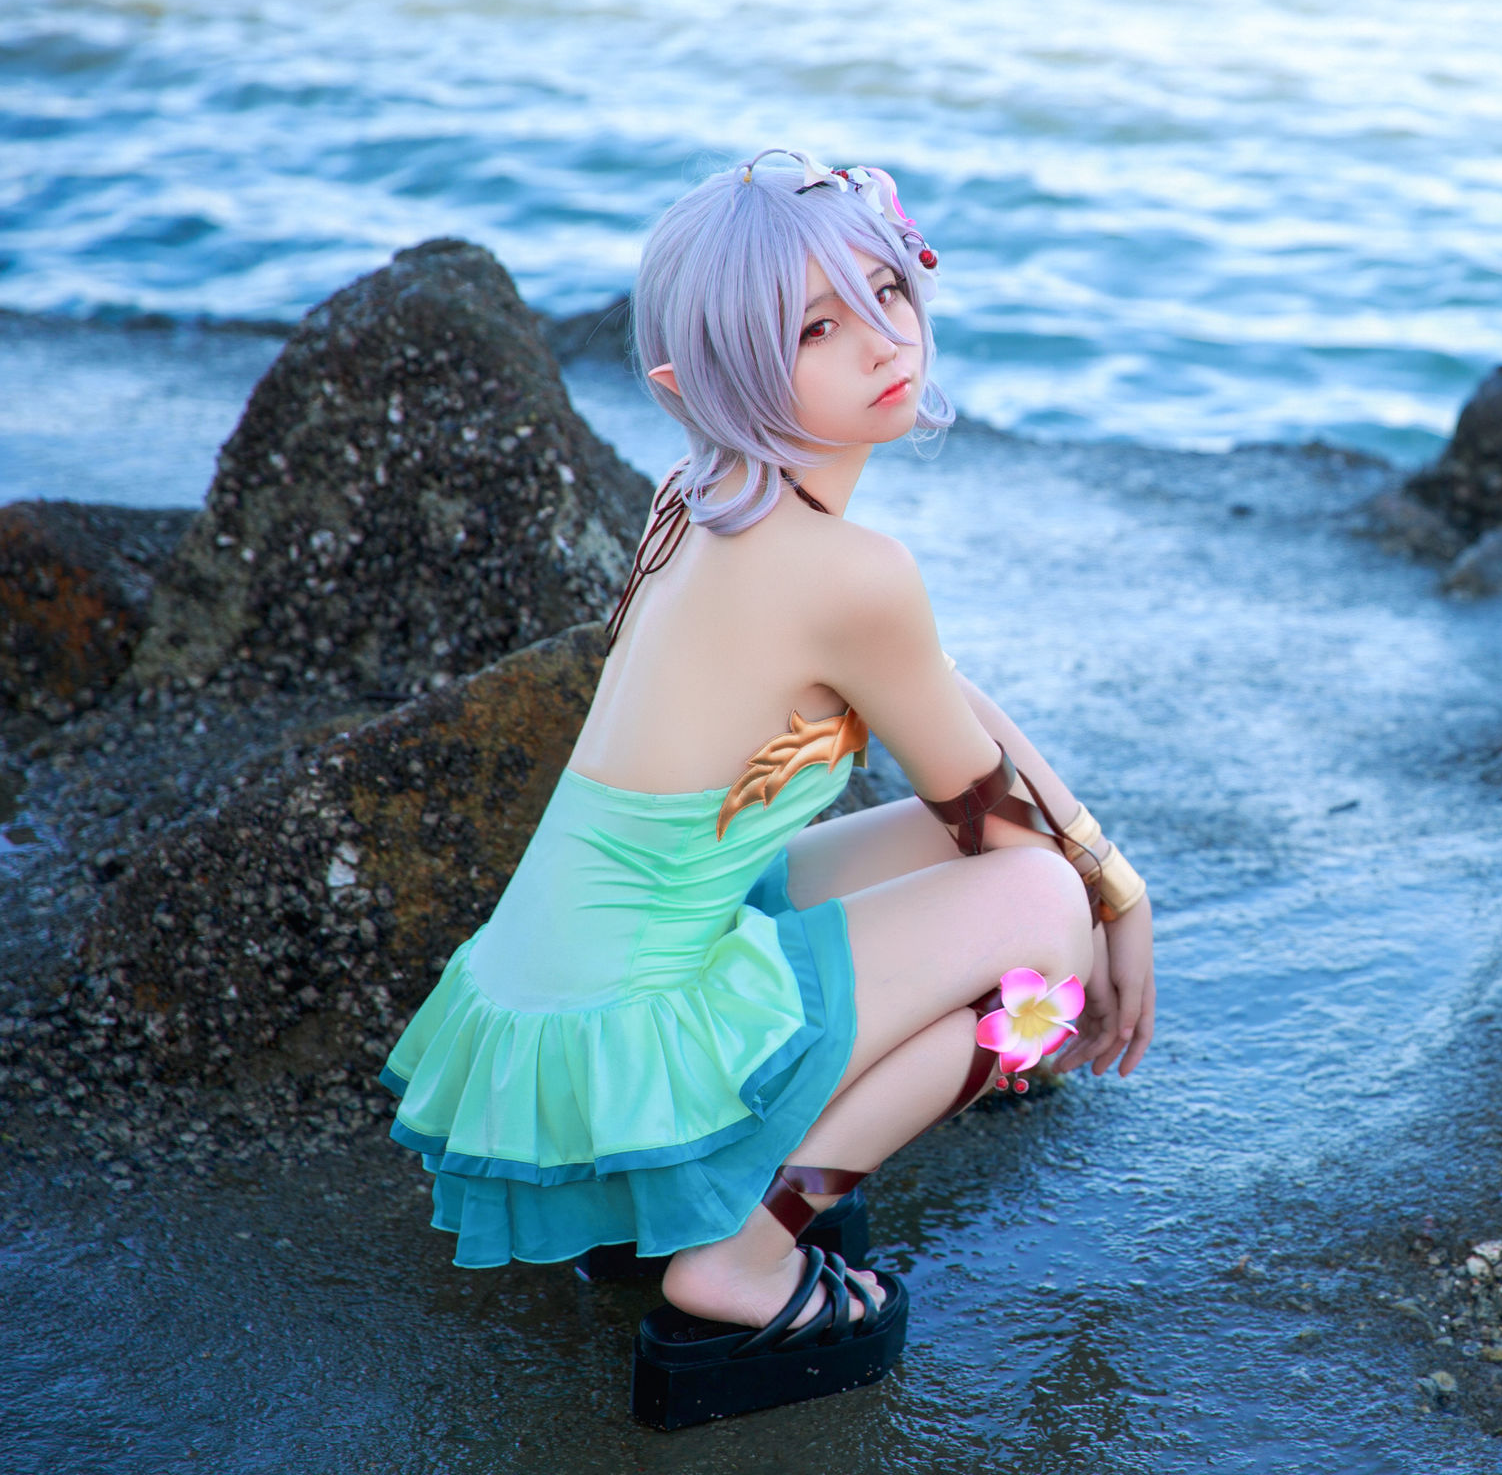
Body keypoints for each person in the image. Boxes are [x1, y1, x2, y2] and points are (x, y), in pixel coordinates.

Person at [378, 149, 1156, 1427]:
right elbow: (1002, 832)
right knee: (1045, 955)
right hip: (627, 1029)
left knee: (1034, 883)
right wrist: (1099, 904)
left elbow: (938, 693)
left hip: (549, 1016)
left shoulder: (696, 497)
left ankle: (707, 1191)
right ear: (697, 384)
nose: (884, 340)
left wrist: (1117, 877)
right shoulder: (849, 576)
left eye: (886, 292)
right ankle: (746, 1246)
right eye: (813, 329)